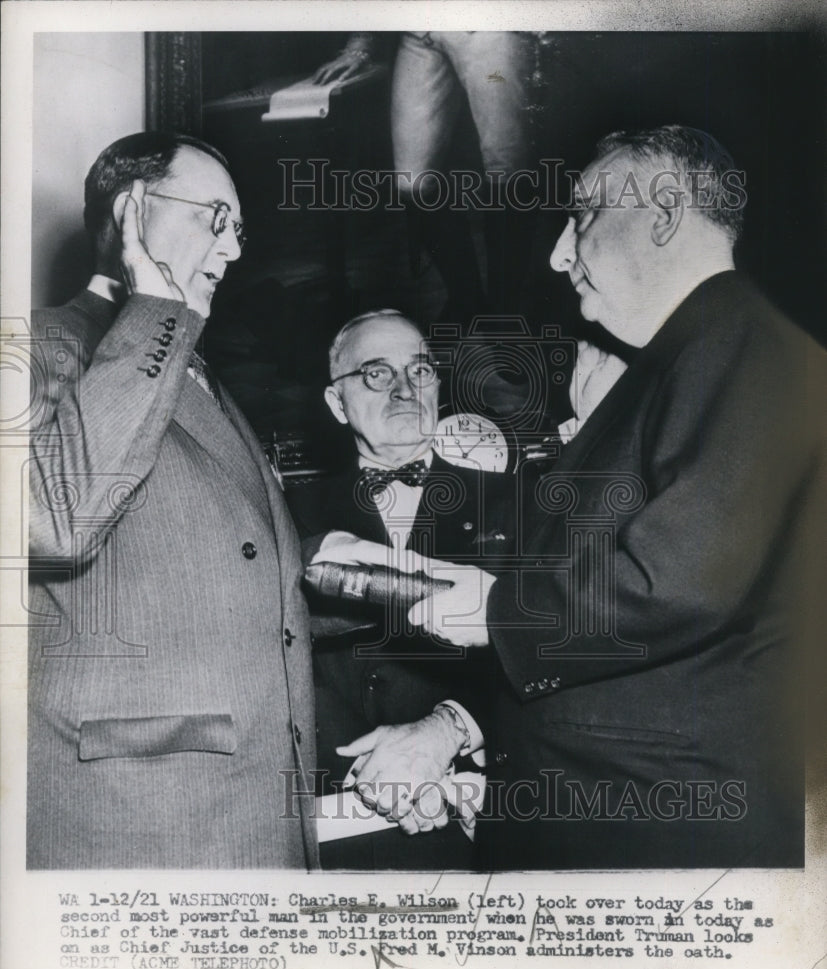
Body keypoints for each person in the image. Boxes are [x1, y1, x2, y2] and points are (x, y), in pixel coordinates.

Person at [398, 125, 826, 868]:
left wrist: (496, 613)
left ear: (663, 214)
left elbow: (680, 578)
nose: (559, 253)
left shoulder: (744, 348)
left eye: (583, 215)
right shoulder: (695, 358)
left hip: (655, 828)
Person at [27, 132, 318, 869]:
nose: (234, 249)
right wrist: (156, 308)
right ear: (132, 210)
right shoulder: (34, 346)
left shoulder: (194, 365)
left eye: (240, 228)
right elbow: (54, 518)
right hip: (142, 820)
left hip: (247, 808)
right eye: (215, 218)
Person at [286, 309, 515, 869]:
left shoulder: (520, 501)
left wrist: (449, 731)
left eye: (420, 370)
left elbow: (553, 651)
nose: (405, 389)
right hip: (335, 815)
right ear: (337, 403)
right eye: (376, 373)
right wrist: (371, 773)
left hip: (474, 810)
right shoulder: (283, 517)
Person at [314, 32, 537, 322]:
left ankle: (505, 312)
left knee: (508, 171)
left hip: (489, 28)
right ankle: (466, 299)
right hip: (420, 33)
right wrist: (360, 44)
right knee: (413, 184)